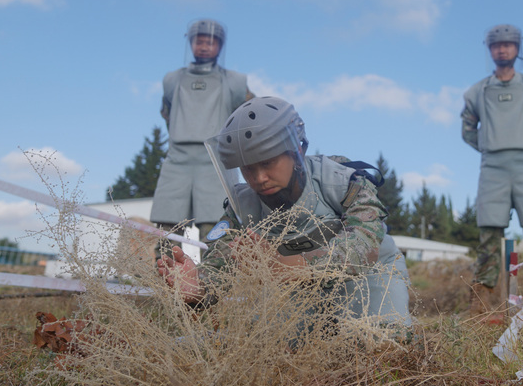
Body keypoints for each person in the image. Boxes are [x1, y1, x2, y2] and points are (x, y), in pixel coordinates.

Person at [157, 96, 411, 330]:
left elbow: (364, 244)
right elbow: (222, 260)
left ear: (298, 150)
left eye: (268, 163)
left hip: (369, 278)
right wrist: (199, 287)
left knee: (380, 347)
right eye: (248, 169)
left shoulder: (343, 180)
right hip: (297, 291)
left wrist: (291, 265)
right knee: (275, 359)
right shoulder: (242, 207)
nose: (259, 178)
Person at [461, 24, 523, 314]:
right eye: (496, 45)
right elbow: (467, 130)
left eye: (508, 44)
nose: (502, 49)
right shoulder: (476, 92)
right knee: (489, 234)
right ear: (490, 49)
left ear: (518, 48)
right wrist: (491, 147)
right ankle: (481, 306)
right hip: (492, 167)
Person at [150, 19, 253, 244]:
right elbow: (167, 113)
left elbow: (249, 115)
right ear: (191, 43)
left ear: (220, 46)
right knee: (167, 229)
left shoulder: (235, 83)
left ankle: (211, 279)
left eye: (211, 42)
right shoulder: (172, 80)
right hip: (177, 161)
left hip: (215, 163)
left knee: (217, 230)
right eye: (199, 41)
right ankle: (166, 276)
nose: (205, 46)